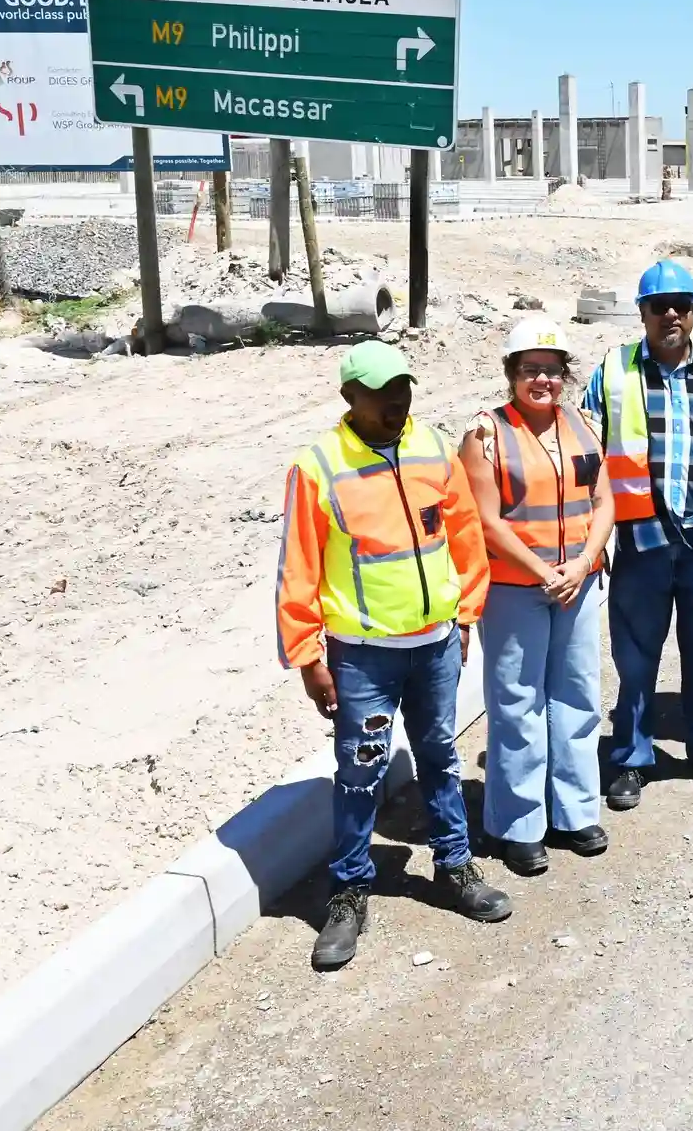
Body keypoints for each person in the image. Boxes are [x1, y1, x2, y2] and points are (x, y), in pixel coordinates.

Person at [276, 341, 509, 972]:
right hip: (362, 658)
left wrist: (464, 615)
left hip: (434, 646)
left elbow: (464, 538)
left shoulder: (433, 447)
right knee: (360, 774)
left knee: (439, 757)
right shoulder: (319, 466)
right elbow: (297, 568)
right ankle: (349, 892)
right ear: (350, 397)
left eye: (403, 388)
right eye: (382, 393)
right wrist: (307, 656)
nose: (397, 402)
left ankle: (455, 866)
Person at [583, 259, 693, 809]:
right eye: (658, 306)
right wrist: (593, 538)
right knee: (636, 661)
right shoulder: (613, 371)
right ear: (641, 312)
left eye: (680, 306)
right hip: (641, 546)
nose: (669, 315)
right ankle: (631, 759)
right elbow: (586, 457)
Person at [459, 318, 615, 877]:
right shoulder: (485, 435)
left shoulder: (584, 425)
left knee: (577, 697)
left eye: (551, 370)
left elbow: (605, 502)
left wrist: (580, 564)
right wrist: (543, 571)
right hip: (514, 590)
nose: (541, 380)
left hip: (577, 582)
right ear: (511, 375)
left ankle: (574, 812)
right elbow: (486, 519)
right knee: (518, 704)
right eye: (530, 370)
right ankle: (518, 824)